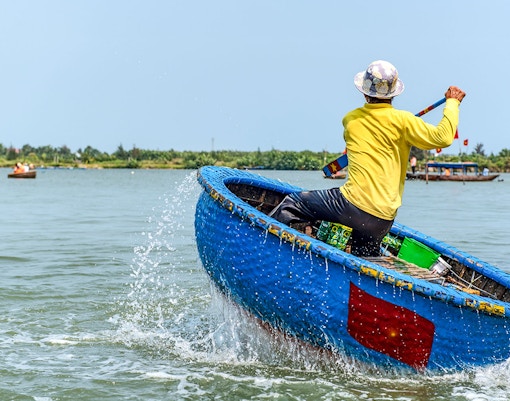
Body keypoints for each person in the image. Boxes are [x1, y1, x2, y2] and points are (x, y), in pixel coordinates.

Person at [270, 60, 466, 257]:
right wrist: (452, 103)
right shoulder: (405, 122)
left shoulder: (351, 120)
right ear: (394, 93)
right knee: (364, 257)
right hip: (382, 220)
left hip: (351, 205)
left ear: (365, 92)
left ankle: (266, 251)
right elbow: (444, 137)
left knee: (293, 203)